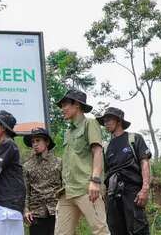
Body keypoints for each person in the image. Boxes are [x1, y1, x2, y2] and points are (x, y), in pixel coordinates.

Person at [54, 89, 109, 235]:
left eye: (65, 105)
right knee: (61, 233)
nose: (62, 109)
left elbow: (97, 151)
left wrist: (95, 181)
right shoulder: (68, 132)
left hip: (87, 188)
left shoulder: (89, 123)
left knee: (100, 230)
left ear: (77, 105)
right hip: (67, 191)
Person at [98, 107, 151, 235]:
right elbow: (105, 173)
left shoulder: (134, 139)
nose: (106, 123)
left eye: (109, 119)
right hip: (112, 195)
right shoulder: (106, 147)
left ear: (119, 121)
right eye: (104, 121)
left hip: (132, 192)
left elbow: (144, 163)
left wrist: (144, 189)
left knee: (138, 229)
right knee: (115, 230)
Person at [22, 128, 61, 235]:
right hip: (36, 213)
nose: (35, 144)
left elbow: (65, 187)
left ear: (47, 142)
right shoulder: (27, 166)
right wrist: (26, 210)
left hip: (57, 211)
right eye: (33, 142)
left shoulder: (59, 163)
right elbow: (25, 191)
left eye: (38, 140)